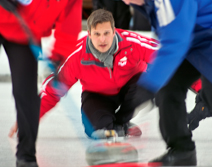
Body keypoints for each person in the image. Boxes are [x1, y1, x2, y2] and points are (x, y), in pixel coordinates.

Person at [123, 0, 212, 166]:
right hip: (200, 36)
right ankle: (182, 150)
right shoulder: (147, 4)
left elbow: (175, 41)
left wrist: (148, 85)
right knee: (168, 83)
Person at [38, 9, 158, 139]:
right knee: (98, 131)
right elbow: (53, 89)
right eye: (97, 34)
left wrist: (173, 100)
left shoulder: (131, 43)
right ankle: (113, 127)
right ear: (89, 34)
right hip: (97, 96)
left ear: (114, 32)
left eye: (106, 33)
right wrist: (30, 119)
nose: (102, 39)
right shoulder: (77, 55)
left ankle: (121, 122)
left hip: (130, 90)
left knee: (149, 84)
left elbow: (166, 55)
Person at [0, 0, 82, 166]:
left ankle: (26, 157)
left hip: (25, 32)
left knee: (26, 94)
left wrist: (59, 56)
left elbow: (69, 20)